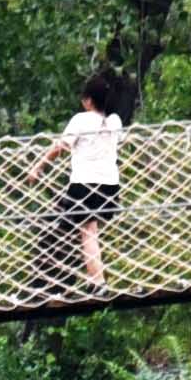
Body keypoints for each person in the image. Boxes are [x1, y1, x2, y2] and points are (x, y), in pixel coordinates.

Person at [57, 69, 132, 291]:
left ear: (88, 101)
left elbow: (61, 146)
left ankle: (98, 282)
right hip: (109, 186)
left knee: (87, 232)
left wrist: (37, 166)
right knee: (91, 230)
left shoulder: (81, 120)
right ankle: (97, 279)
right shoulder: (115, 121)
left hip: (84, 185)